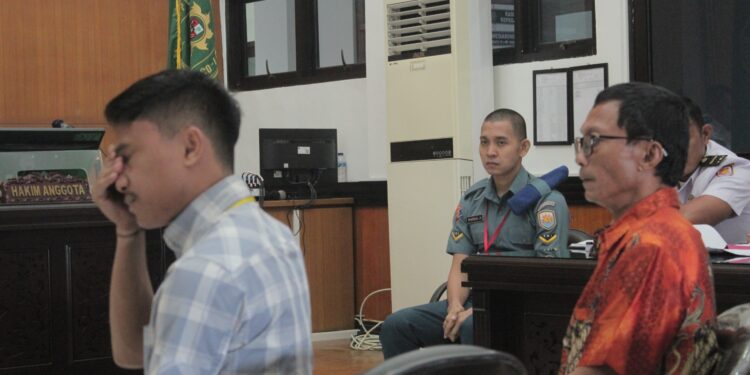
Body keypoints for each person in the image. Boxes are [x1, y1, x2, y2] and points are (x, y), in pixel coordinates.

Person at [92, 69, 312, 374]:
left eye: (126, 157)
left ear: (190, 147)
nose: (119, 180)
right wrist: (128, 231)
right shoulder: (275, 235)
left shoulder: (207, 268)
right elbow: (135, 354)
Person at [380, 108, 570, 359]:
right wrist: (455, 306)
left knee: (474, 326)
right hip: (475, 303)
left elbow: (545, 275)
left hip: (522, 309)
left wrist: (481, 311)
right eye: (484, 142)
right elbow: (460, 264)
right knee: (395, 326)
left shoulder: (546, 202)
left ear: (523, 147)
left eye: (501, 143)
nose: (490, 151)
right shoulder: (472, 199)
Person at [560, 82, 720, 374]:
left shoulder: (653, 245)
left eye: (593, 141)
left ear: (649, 155)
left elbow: (604, 371)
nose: (580, 157)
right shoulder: (641, 232)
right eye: (581, 143)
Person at [678, 97, 750, 244]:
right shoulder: (646, 166)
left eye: (682, 139)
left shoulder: (735, 168)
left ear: (705, 134)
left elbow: (690, 217)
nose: (674, 149)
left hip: (729, 266)